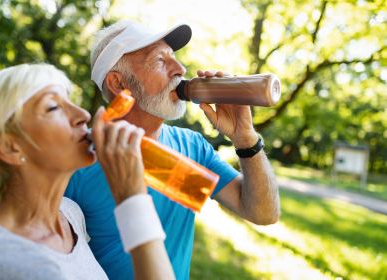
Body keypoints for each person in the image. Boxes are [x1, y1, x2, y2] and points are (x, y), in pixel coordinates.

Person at [64, 20, 281, 280]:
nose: (180, 69)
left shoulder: (191, 148)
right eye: (159, 60)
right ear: (119, 84)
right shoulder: (74, 160)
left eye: (174, 58)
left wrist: (245, 138)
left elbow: (262, 213)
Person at [0, 64, 176, 280]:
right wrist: (132, 201)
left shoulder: (70, 216)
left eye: (69, 101)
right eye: (53, 107)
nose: (83, 115)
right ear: (9, 147)